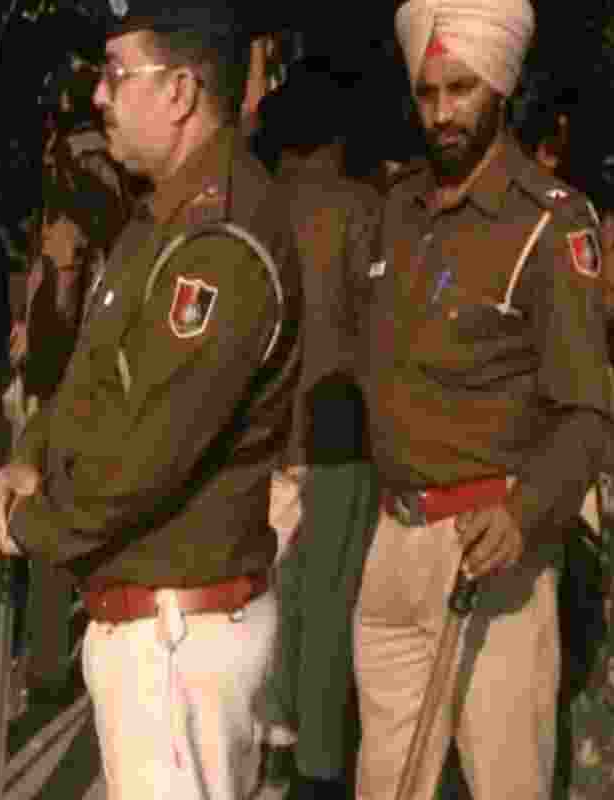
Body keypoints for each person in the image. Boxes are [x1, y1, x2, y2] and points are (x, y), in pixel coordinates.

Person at [0, 2, 302, 797]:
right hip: (145, 622)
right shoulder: (155, 220)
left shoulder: (219, 240)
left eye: (118, 76)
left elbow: (143, 456)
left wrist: (30, 522)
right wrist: (27, 461)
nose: (98, 96)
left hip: (179, 635)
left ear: (183, 91)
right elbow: (89, 379)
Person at [346, 2, 614, 798]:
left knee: (506, 785)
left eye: (460, 90)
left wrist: (527, 511)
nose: (441, 113)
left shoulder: (552, 224)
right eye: (427, 94)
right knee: (386, 786)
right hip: (392, 544)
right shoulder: (397, 210)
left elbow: (587, 413)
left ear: (500, 86)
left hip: (492, 548)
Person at [255, 54, 384, 797]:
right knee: (331, 606)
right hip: (341, 429)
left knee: (278, 597)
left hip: (273, 433)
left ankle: (277, 742)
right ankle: (320, 769)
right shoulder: (365, 206)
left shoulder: (261, 206)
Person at [6, 57, 131, 709]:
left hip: (72, 368)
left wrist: (45, 348)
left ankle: (50, 662)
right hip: (77, 362)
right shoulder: (97, 169)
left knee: (57, 518)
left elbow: (68, 271)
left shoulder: (81, 174)